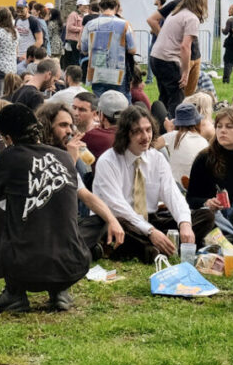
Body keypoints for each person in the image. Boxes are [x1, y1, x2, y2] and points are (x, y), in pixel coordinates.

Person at [0, 102, 124, 312]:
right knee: (55, 215)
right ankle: (59, 292)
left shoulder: (9, 157)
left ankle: (14, 293)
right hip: (74, 266)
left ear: (8, 137)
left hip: (26, 270)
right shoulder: (65, 156)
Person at [90, 104, 212, 261]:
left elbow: (173, 194)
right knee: (115, 226)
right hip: (122, 221)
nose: (146, 136)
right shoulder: (108, 161)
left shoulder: (157, 158)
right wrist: (151, 232)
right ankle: (151, 249)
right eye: (138, 132)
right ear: (125, 134)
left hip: (150, 218)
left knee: (206, 216)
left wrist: (184, 224)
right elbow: (117, 206)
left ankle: (153, 248)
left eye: (148, 130)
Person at [151, 0, 205, 113]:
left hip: (156, 57)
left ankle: (159, 124)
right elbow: (185, 47)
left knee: (164, 97)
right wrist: (185, 72)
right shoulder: (192, 18)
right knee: (177, 100)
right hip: (168, 60)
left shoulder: (175, 13)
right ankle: (175, 128)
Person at [82, 0, 135, 100]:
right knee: (121, 103)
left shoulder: (90, 24)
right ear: (116, 7)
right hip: (117, 72)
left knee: (100, 104)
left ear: (100, 7)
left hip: (97, 72)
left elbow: (84, 49)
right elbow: (132, 49)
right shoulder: (124, 25)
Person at [164, 101, 209, 186]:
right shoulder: (204, 141)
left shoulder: (172, 136)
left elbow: (152, 145)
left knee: (161, 150)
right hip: (201, 183)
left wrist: (169, 130)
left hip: (176, 184)